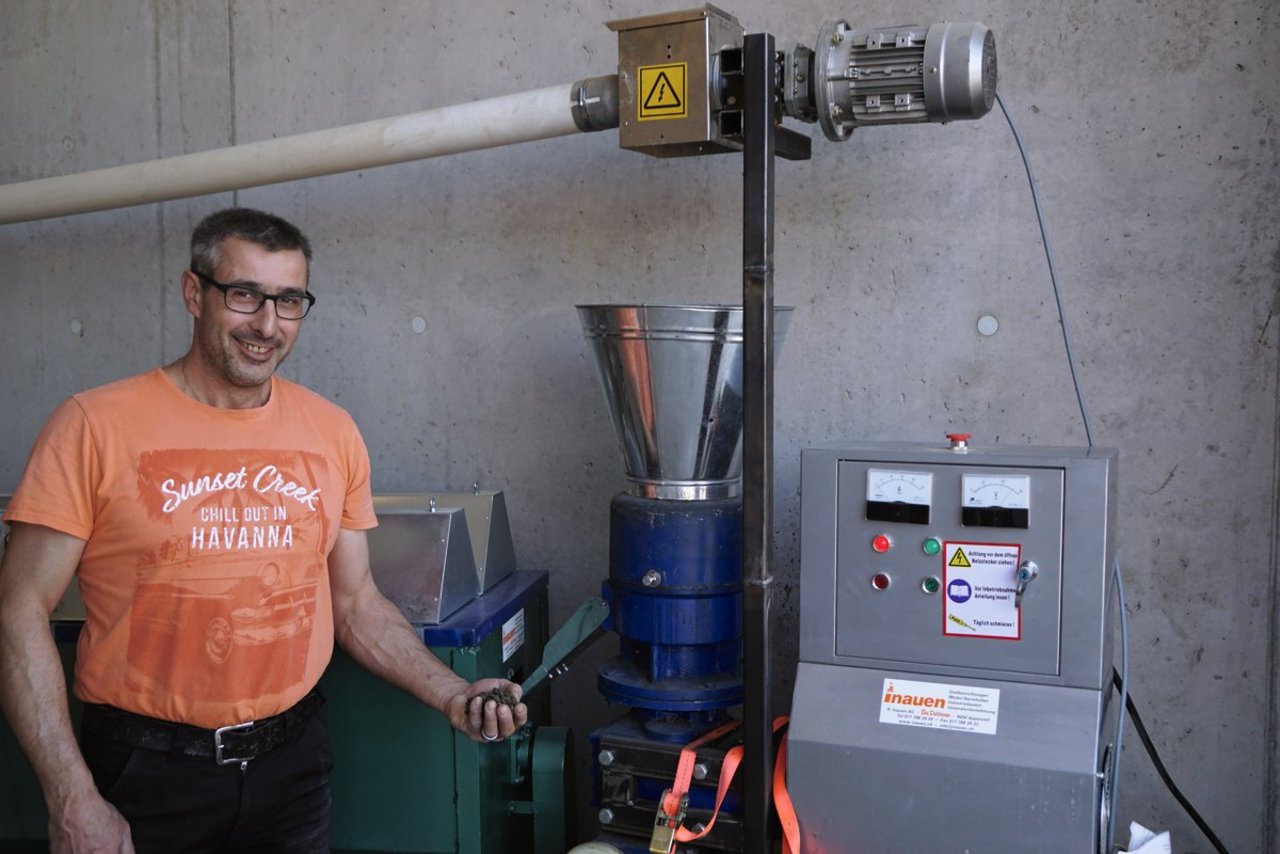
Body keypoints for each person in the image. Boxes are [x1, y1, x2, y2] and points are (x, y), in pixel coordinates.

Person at [0, 207, 528, 854]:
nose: (267, 324)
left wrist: (454, 694)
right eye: (245, 294)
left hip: (293, 767)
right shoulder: (92, 426)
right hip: (143, 771)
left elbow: (355, 603)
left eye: (288, 301)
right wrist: (70, 796)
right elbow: (18, 608)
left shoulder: (331, 433)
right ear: (195, 294)